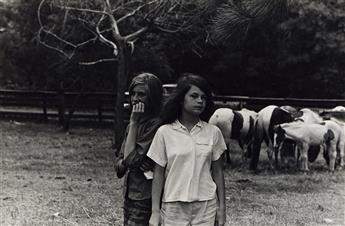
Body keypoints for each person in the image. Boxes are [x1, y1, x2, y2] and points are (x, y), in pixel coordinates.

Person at [147, 74, 227, 226]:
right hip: (173, 206)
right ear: (181, 99)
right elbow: (158, 173)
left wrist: (221, 209)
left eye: (203, 97)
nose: (200, 101)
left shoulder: (213, 132)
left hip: (205, 206)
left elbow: (218, 172)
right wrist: (155, 211)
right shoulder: (164, 132)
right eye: (194, 96)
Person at [114, 72, 163, 226]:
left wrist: (134, 123)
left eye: (141, 94)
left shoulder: (156, 125)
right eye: (133, 94)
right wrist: (127, 162)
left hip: (146, 195)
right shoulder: (132, 124)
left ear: (153, 97)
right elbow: (120, 166)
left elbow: (130, 161)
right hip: (130, 192)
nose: (135, 99)